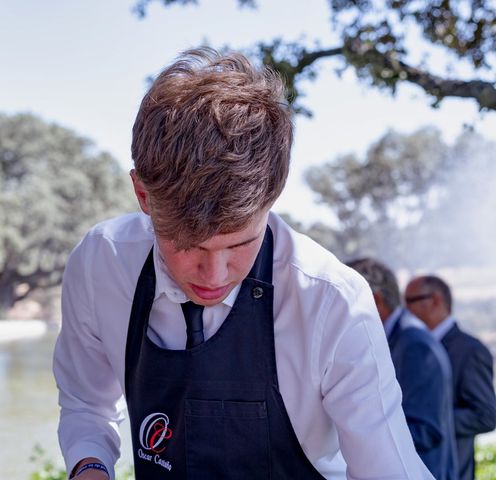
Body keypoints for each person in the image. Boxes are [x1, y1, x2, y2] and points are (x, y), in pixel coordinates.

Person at [53, 47, 433, 479]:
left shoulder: (332, 301)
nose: (214, 277)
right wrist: (89, 466)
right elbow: (86, 403)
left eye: (239, 244)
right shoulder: (101, 263)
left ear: (273, 197)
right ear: (142, 196)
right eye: (187, 244)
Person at [347, 258, 458, 479]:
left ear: (375, 300)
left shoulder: (414, 345)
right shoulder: (401, 338)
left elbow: (425, 430)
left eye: (343, 300)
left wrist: (349, 433)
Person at [405, 275, 496, 480]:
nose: (405, 309)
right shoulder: (411, 346)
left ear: (436, 300)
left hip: (451, 471)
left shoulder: (470, 350)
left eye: (411, 301)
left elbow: (486, 416)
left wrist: (433, 421)